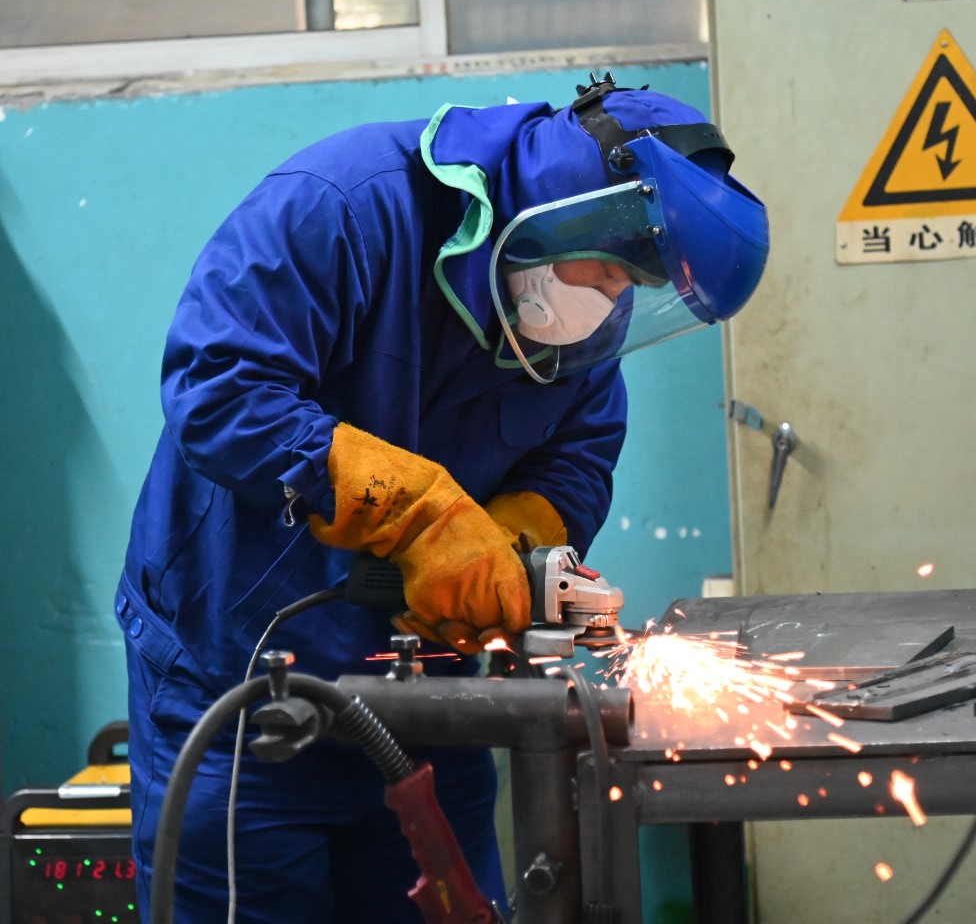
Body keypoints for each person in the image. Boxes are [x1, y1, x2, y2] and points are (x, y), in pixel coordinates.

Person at [115, 74, 768, 922]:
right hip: (242, 687)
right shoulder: (344, 207)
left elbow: (577, 455)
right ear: (564, 210)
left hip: (431, 703)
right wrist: (419, 515)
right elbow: (220, 391)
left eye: (627, 289)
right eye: (608, 269)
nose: (609, 303)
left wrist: (510, 546)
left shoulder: (576, 332)